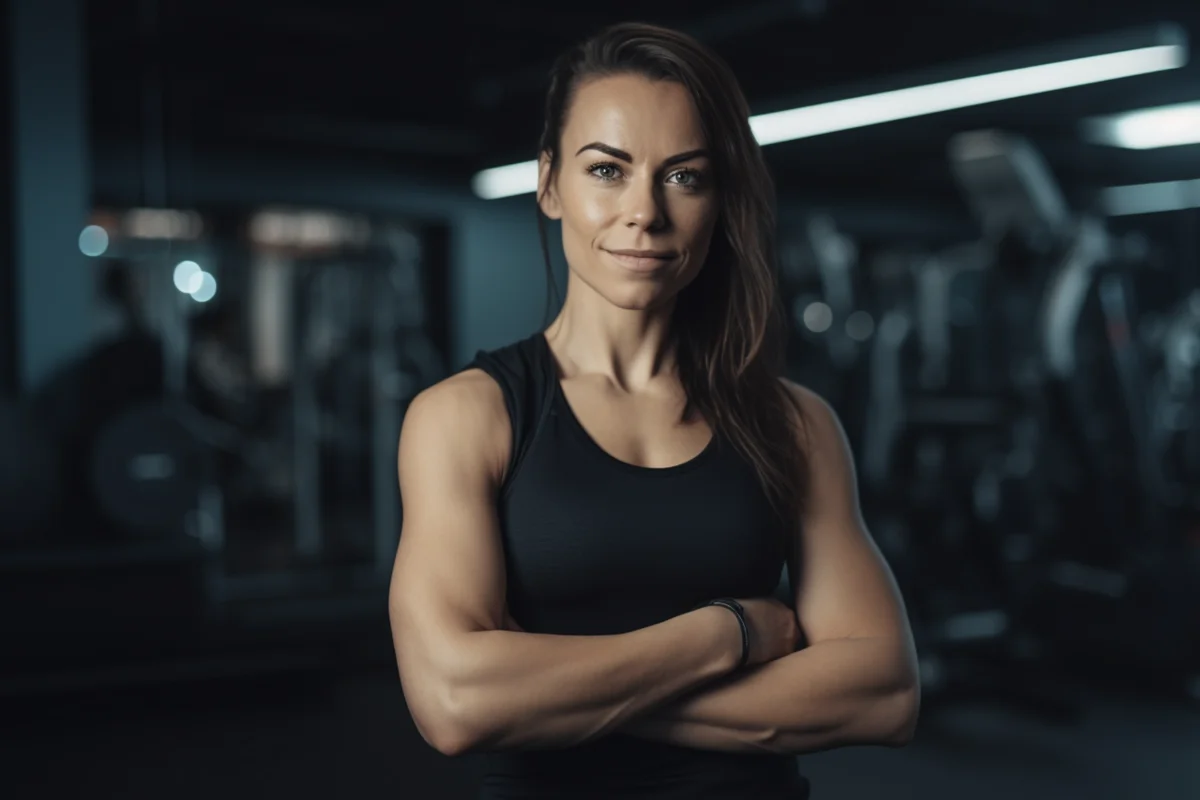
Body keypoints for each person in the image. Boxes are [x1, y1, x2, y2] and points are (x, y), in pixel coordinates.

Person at [388, 22, 919, 800]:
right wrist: (730, 632)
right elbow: (457, 703)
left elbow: (884, 692)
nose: (644, 212)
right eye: (607, 169)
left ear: (719, 199)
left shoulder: (794, 425)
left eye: (685, 177)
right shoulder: (466, 419)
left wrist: (554, 694)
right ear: (549, 184)